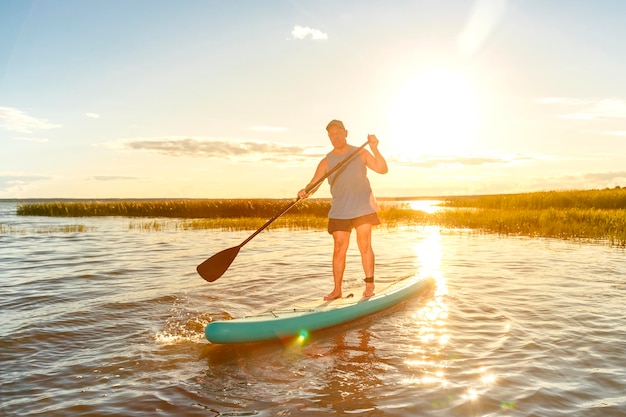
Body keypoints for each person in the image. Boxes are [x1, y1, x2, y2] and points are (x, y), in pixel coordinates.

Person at [298, 119, 388, 300]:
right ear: (329, 137)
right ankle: (337, 290)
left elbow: (382, 169)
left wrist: (375, 148)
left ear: (346, 133)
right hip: (340, 210)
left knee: (364, 244)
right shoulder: (326, 161)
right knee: (339, 249)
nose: (336, 136)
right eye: (332, 134)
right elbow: (314, 183)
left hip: (363, 207)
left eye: (338, 132)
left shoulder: (361, 152)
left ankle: (369, 285)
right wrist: (306, 191)